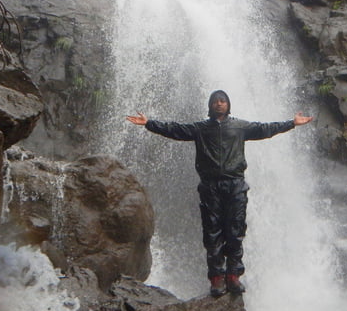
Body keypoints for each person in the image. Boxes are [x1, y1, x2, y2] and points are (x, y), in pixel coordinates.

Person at [126, 90, 313, 297]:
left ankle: (233, 276)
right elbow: (175, 130)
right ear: (210, 105)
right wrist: (149, 123)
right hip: (210, 186)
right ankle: (216, 278)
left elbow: (265, 129)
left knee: (235, 231)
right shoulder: (200, 128)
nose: (219, 104)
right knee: (212, 233)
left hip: (235, 185)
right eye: (215, 101)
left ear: (228, 104)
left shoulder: (240, 126)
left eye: (223, 101)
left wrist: (292, 123)